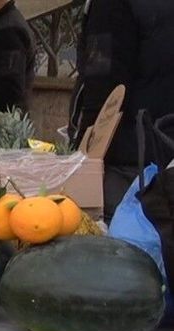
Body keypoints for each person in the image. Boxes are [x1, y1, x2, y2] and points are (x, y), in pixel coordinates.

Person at [68, 0, 174, 220]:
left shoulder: (112, 5)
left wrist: (80, 156)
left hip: (126, 165)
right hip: (165, 158)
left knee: (117, 248)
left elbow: (102, 88)